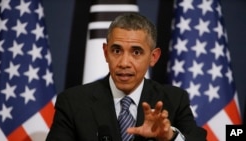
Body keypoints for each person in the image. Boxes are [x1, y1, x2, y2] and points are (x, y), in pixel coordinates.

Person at [46, 13, 207, 141]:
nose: (124, 63)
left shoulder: (174, 100)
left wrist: (170, 137)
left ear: (153, 57)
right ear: (105, 52)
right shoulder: (72, 102)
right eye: (116, 50)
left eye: (136, 52)